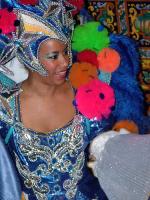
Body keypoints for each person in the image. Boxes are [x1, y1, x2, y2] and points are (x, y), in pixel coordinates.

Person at [0, 0, 149, 200]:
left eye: (66, 51)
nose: (65, 62)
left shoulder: (88, 96)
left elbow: (115, 151)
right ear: (28, 56)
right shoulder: (5, 109)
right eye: (54, 56)